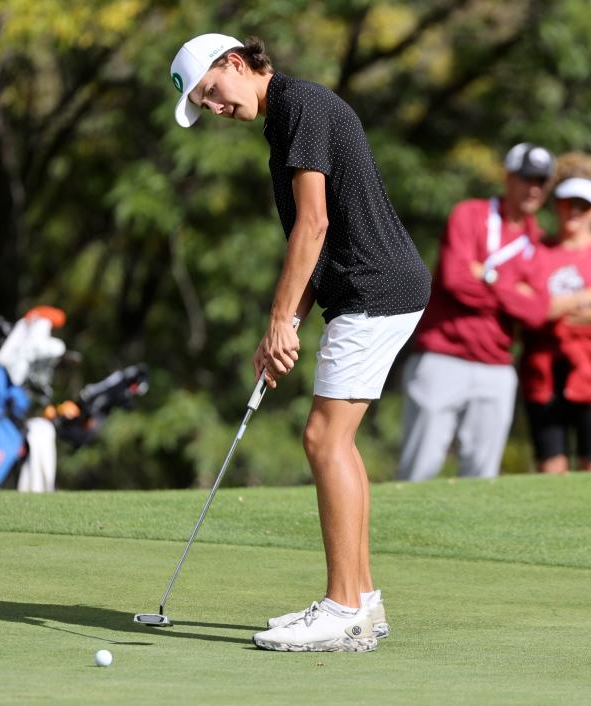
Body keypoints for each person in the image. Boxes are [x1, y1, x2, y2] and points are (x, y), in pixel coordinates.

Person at [169, 33, 430, 652]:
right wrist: (280, 329)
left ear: (235, 63)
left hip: (374, 288)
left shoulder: (302, 108)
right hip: (376, 288)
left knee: (322, 437)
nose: (214, 108)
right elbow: (309, 252)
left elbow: (314, 226)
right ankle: (362, 602)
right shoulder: (283, 126)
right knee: (336, 440)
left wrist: (282, 318)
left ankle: (343, 608)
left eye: (210, 92)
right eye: (204, 105)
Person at [396, 143, 555, 482]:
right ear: (508, 178)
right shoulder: (470, 214)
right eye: (527, 179)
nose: (534, 189)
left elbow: (537, 311)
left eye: (542, 181)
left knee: (481, 480)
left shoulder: (539, 242)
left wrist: (489, 276)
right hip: (442, 357)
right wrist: (514, 290)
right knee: (417, 471)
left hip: (496, 368)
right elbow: (456, 279)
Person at [520, 153, 591, 473]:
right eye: (568, 203)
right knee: (550, 466)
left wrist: (554, 305)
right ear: (556, 204)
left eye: (583, 206)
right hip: (543, 370)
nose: (574, 212)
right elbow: (531, 311)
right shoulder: (537, 249)